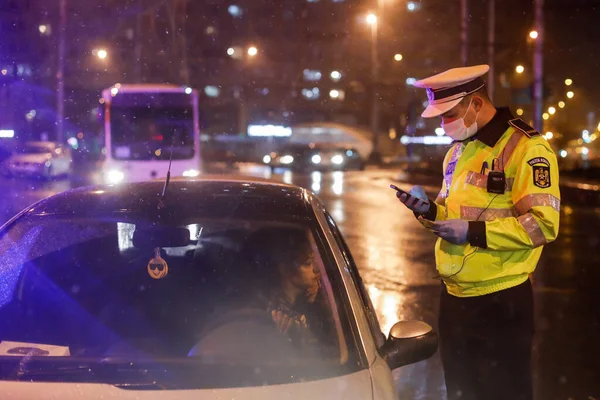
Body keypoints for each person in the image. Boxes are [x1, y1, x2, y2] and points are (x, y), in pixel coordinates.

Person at [396, 65, 560, 400]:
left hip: (501, 300)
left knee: (502, 393)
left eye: (450, 115)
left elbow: (543, 224)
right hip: (455, 296)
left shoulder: (528, 148)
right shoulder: (458, 150)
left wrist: (474, 232)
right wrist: (428, 211)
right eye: (440, 119)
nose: (444, 126)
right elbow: (452, 214)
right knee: (460, 391)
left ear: (476, 104)